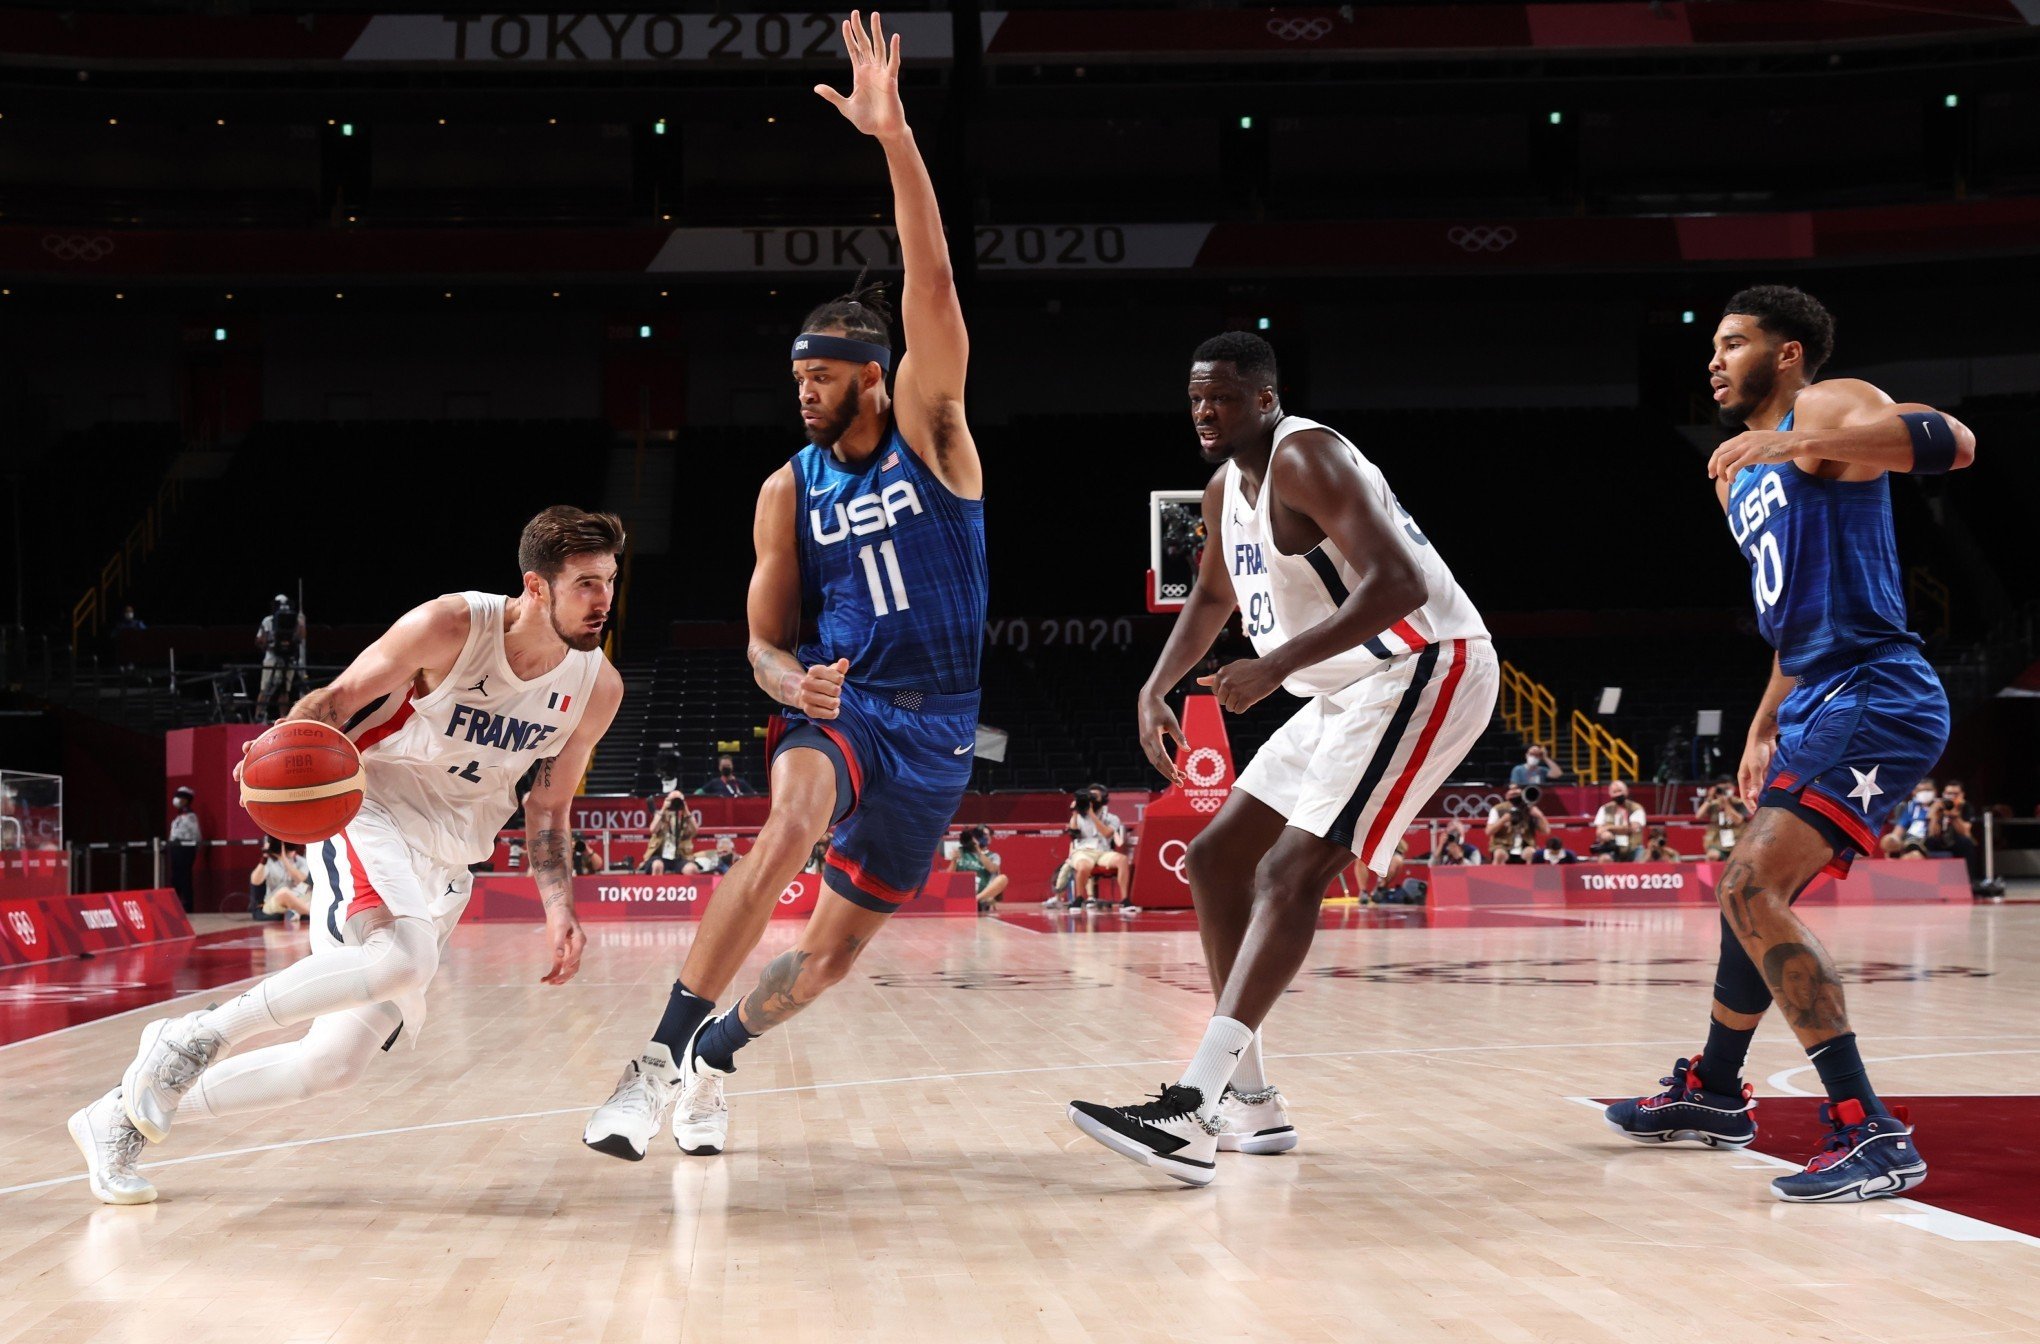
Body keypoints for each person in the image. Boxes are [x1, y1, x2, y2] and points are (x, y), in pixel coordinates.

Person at [583, 14, 987, 1165]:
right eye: (795, 379)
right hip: (842, 711)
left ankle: (717, 1056)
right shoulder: (783, 490)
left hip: (941, 734)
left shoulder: (935, 437)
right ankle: (652, 1062)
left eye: (820, 378)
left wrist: (894, 136)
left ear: (874, 376)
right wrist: (787, 679)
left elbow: (934, 276)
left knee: (829, 960)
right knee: (788, 824)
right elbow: (759, 644)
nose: (801, 393)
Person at [66, 506, 624, 1206]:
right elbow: (335, 702)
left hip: (450, 863)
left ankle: (116, 1116)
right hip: (372, 812)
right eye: (585, 584)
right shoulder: (453, 625)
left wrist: (559, 906)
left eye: (608, 580)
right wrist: (275, 752)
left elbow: (547, 806)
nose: (603, 600)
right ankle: (189, 1040)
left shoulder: (597, 688)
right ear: (536, 587)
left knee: (329, 1065)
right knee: (403, 958)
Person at [1066, 328, 1497, 1187]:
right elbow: (1215, 596)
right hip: (1345, 690)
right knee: (1217, 858)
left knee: (1288, 873)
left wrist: (1275, 666)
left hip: (1425, 666)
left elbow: (1401, 583)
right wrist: (1156, 687)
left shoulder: (1308, 458)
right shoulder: (1227, 485)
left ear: (1264, 399)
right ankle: (1250, 1104)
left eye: (1219, 397)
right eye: (1194, 397)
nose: (1202, 411)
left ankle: (1191, 1107)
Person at [1605, 284, 1974, 1202]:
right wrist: (1767, 716)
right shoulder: (1738, 471)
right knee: (1748, 898)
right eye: (1714, 346)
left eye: (1734, 343)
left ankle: (1870, 1130)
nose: (1714, 359)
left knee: (1747, 886)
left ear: (1789, 353)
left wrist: (1802, 439)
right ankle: (1719, 1093)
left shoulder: (1826, 405)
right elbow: (1795, 615)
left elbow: (1955, 444)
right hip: (1818, 690)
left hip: (1878, 689)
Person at [1069, 784, 1133, 914]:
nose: (1091, 799)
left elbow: (1107, 834)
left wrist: (1092, 814)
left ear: (1103, 799)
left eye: (1095, 796)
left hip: (1103, 852)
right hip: (1083, 851)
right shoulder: (1079, 816)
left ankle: (1125, 900)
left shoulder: (1112, 818)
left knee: (1122, 860)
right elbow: (1074, 834)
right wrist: (1075, 813)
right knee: (1083, 867)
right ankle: (1079, 898)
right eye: (1089, 796)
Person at [255, 593, 308, 721]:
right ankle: (258, 718)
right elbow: (258, 640)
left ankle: (283, 719)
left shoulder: (295, 620)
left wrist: (301, 624)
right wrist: (268, 642)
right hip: (271, 658)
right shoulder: (268, 621)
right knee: (265, 688)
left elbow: (302, 637)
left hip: (289, 658)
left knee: (285, 690)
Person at [947, 824, 1007, 913]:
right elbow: (947, 877)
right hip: (962, 892)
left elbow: (992, 869)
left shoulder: (993, 856)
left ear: (989, 838)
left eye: (985, 835)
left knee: (1003, 878)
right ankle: (968, 901)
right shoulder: (961, 851)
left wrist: (978, 851)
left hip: (981, 895)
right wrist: (954, 860)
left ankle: (975, 900)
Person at [249, 836, 310, 921]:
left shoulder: (301, 862)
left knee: (314, 891)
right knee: (284, 892)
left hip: (298, 898)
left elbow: (303, 881)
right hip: (275, 902)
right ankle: (311, 914)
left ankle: (297, 912)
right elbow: (255, 881)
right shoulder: (269, 863)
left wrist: (284, 859)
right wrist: (264, 857)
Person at [641, 792, 699, 874]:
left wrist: (686, 810)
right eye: (672, 800)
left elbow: (695, 831)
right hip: (659, 856)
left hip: (678, 856)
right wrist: (664, 808)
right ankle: (656, 886)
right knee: (657, 865)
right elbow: (653, 829)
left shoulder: (684, 818)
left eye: (678, 800)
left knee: (691, 869)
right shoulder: (660, 815)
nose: (675, 803)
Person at [1695, 777, 1750, 861]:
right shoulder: (1713, 804)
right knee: (1712, 856)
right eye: (1720, 789)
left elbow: (1738, 821)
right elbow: (1698, 816)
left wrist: (1726, 803)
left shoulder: (1740, 803)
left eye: (1726, 788)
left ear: (1733, 788)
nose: (1723, 791)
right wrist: (1709, 798)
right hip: (1717, 843)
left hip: (1737, 842)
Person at [1591, 780, 1647, 862]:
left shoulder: (1636, 808)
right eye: (1615, 792)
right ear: (1610, 794)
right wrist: (1604, 834)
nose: (1618, 794)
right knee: (1604, 858)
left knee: (1642, 859)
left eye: (1620, 791)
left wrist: (1608, 827)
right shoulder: (1604, 809)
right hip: (1611, 847)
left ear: (1626, 791)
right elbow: (1599, 831)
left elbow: (1633, 828)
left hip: (1633, 848)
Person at [1879, 778, 1936, 859]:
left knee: (1914, 855)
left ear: (1935, 791)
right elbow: (1897, 832)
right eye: (1921, 790)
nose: (1924, 793)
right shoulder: (1911, 807)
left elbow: (1934, 834)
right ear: (1914, 792)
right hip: (1910, 842)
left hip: (1927, 843)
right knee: (1888, 841)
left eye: (1928, 790)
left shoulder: (1940, 806)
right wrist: (1892, 839)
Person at [167, 786, 201, 913]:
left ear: (186, 800)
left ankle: (187, 906)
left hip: (185, 850)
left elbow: (196, 836)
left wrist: (193, 849)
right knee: (175, 878)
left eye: (180, 797)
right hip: (175, 850)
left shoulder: (191, 817)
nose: (176, 800)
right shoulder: (178, 817)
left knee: (185, 878)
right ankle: (174, 906)